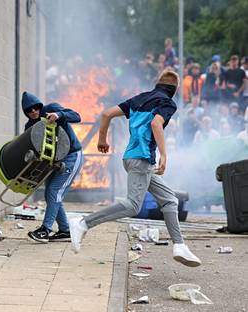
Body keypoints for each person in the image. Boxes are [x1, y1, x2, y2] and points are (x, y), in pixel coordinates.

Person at [68, 71, 201, 267]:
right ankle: (83, 223)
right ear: (175, 90)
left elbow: (106, 114)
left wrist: (102, 139)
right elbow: (156, 124)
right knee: (133, 205)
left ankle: (179, 245)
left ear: (157, 84)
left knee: (170, 200)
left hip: (133, 159)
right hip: (141, 160)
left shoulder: (140, 98)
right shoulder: (168, 103)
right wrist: (164, 154)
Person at [22, 92, 83, 243]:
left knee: (54, 191)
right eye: (29, 110)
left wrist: (59, 115)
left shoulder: (52, 109)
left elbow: (76, 116)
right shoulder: (30, 126)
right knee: (51, 194)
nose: (34, 111)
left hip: (71, 157)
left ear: (40, 106)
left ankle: (45, 230)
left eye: (36, 107)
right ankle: (65, 231)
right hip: (51, 163)